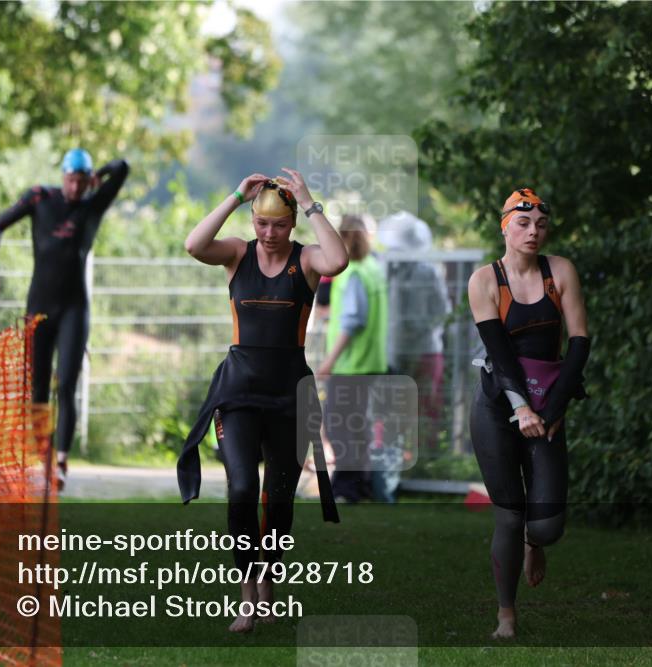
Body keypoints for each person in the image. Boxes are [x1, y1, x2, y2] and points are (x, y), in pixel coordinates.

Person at [178, 169, 347, 633]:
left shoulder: (307, 260)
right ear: (252, 221)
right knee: (241, 491)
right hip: (237, 393)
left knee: (278, 502)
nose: (269, 234)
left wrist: (310, 201)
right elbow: (194, 244)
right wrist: (235, 195)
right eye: (261, 223)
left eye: (278, 225)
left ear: (292, 223)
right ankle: (247, 596)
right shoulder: (236, 253)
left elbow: (338, 260)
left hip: (290, 394)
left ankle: (269, 584)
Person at [467, 187, 590, 639]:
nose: (533, 232)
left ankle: (534, 544)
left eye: (540, 225)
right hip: (498, 405)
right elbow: (499, 354)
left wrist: (554, 409)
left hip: (548, 403)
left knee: (547, 526)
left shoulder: (560, 272)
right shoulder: (485, 280)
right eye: (523, 224)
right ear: (505, 226)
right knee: (510, 512)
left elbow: (579, 342)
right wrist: (521, 409)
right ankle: (506, 615)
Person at [0, 148, 129, 490]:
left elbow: (123, 167)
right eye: (71, 180)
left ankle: (61, 462)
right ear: (62, 176)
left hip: (74, 309)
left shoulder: (93, 205)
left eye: (82, 181)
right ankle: (43, 456)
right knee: (37, 389)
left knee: (65, 384)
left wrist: (101, 175)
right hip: (39, 308)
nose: (76, 187)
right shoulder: (39, 198)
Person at [318, 215, 390, 502]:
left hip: (351, 365)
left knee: (339, 426)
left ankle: (346, 489)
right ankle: (359, 485)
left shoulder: (352, 273)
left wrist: (329, 362)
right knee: (356, 427)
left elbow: (352, 321)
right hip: (370, 362)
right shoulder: (374, 268)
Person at [378, 212, 452, 455]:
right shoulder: (387, 270)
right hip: (403, 350)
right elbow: (444, 311)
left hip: (417, 350)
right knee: (401, 409)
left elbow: (442, 311)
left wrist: (420, 327)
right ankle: (400, 461)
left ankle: (419, 461)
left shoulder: (422, 271)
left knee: (419, 407)